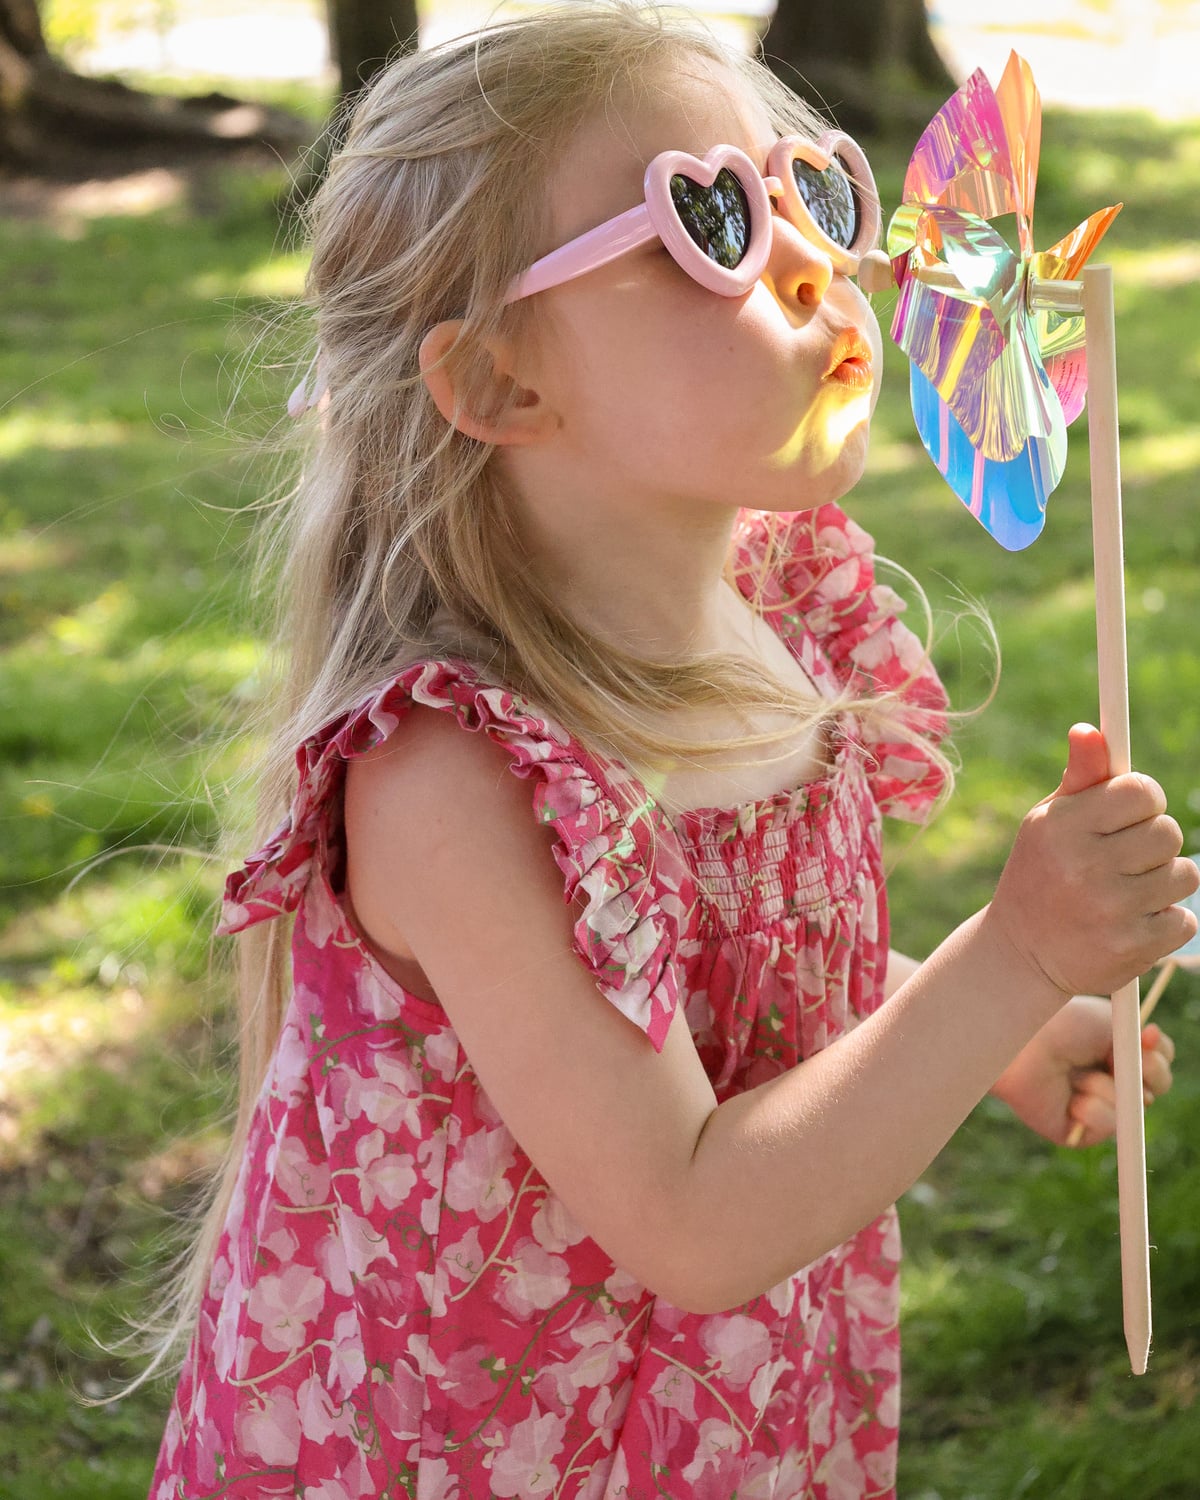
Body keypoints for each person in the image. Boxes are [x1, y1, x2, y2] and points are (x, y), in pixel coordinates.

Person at [146, 4, 1196, 1496]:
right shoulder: (451, 777)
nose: (814, 260)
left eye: (811, 191)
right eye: (707, 222)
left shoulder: (772, 611)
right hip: (483, 1442)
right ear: (503, 381)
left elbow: (721, 990)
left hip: (723, 1418)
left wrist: (993, 1035)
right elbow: (691, 1218)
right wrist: (1013, 957)